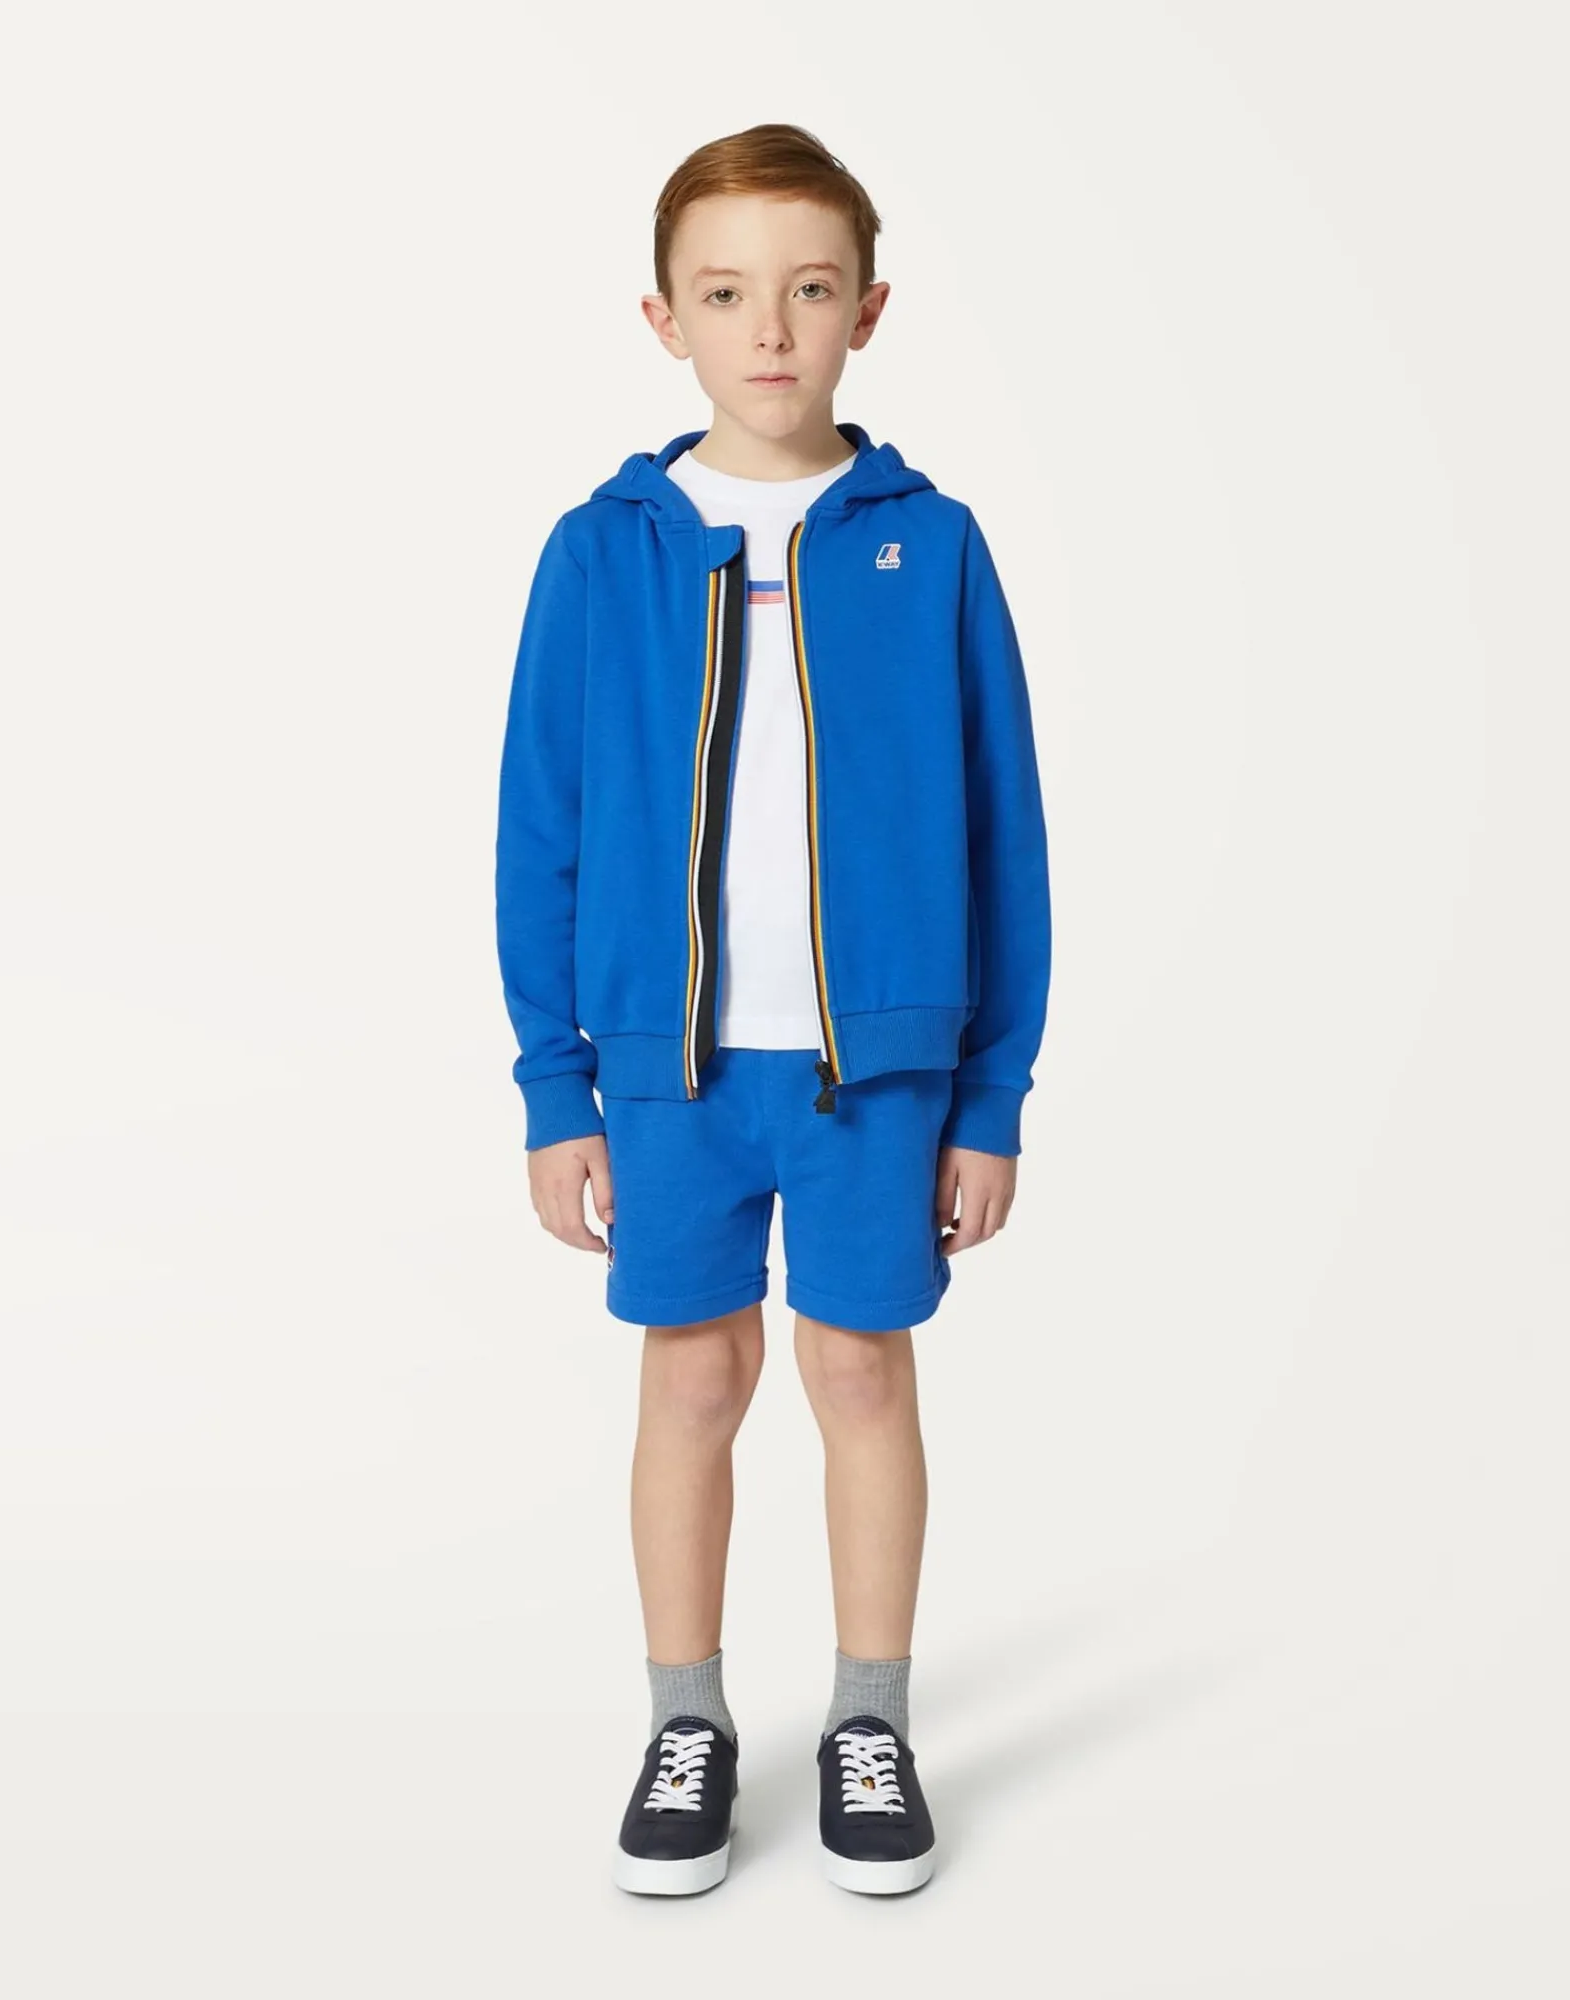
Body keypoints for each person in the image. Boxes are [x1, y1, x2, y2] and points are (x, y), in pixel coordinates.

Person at [493, 122, 1052, 1897]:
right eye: (728, 294)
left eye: (811, 290)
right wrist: (556, 1087)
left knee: (860, 1370)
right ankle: (689, 1723)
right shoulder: (604, 552)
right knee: (693, 1375)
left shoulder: (930, 546)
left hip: (873, 1072)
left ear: (867, 309)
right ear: (664, 319)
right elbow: (541, 827)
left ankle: (868, 1723)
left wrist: (988, 1095)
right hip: (666, 1073)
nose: (771, 329)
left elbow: (1004, 831)